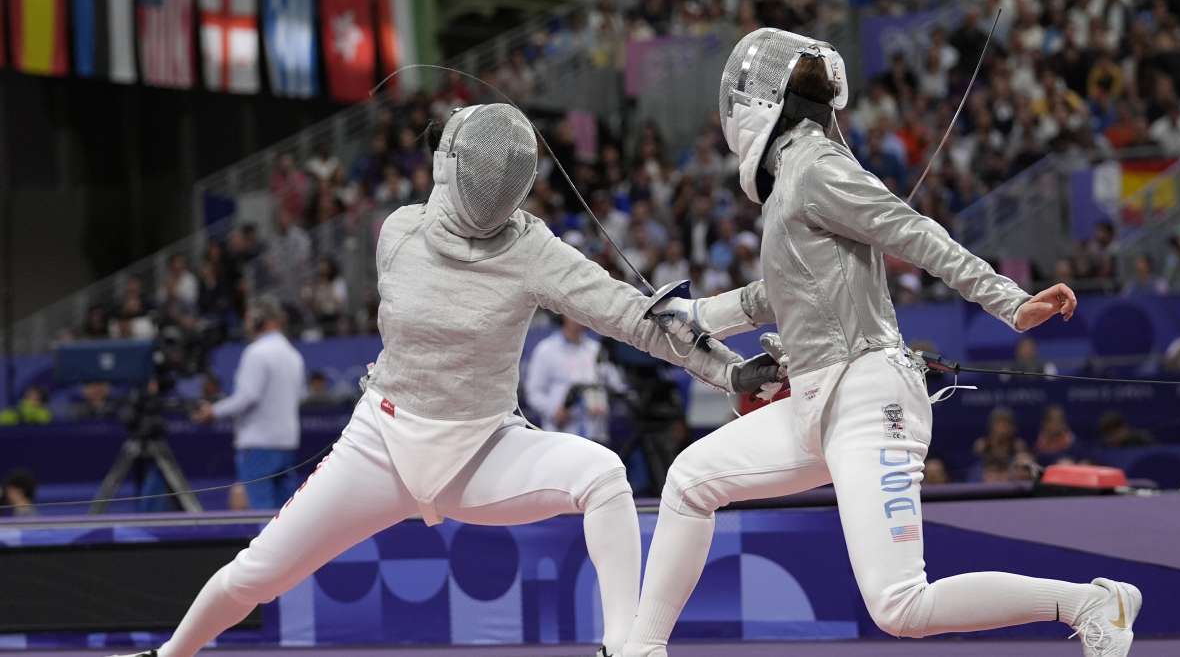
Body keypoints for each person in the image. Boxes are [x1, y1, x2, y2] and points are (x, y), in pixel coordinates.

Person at [114, 104, 778, 657]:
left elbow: (635, 317)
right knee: (256, 572)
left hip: (480, 448)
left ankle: (625, 649)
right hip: (381, 443)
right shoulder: (399, 233)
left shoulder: (527, 249)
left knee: (603, 477)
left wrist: (728, 370)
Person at [624, 30, 1140, 657]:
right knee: (688, 480)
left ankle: (1091, 603)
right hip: (818, 404)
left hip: (869, 399)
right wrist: (697, 314)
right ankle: (638, 649)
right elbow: (781, 290)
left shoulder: (817, 166)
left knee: (900, 604)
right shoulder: (792, 179)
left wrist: (1007, 300)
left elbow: (912, 230)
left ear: (757, 103)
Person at [191, 296, 307, 510]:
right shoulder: (294, 355)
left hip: (259, 445)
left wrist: (213, 411)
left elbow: (247, 397)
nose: (246, 324)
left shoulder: (256, 352)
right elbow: (301, 396)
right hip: (287, 443)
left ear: (260, 319)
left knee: (261, 510)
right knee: (285, 514)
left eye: (248, 318)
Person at [525, 315, 613, 444]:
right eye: (573, 313)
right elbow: (534, 392)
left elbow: (611, 385)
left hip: (594, 432)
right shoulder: (546, 350)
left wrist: (603, 402)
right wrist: (553, 411)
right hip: (561, 433)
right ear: (563, 315)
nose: (578, 318)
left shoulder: (596, 349)